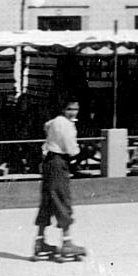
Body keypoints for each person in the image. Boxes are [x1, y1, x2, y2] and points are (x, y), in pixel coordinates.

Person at [32, 99, 88, 259]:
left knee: (47, 201)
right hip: (58, 163)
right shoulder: (66, 125)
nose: (73, 112)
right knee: (62, 199)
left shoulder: (54, 122)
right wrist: (79, 152)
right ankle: (66, 241)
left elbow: (47, 127)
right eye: (70, 109)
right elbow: (71, 148)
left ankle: (40, 241)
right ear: (63, 109)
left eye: (75, 109)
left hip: (48, 162)